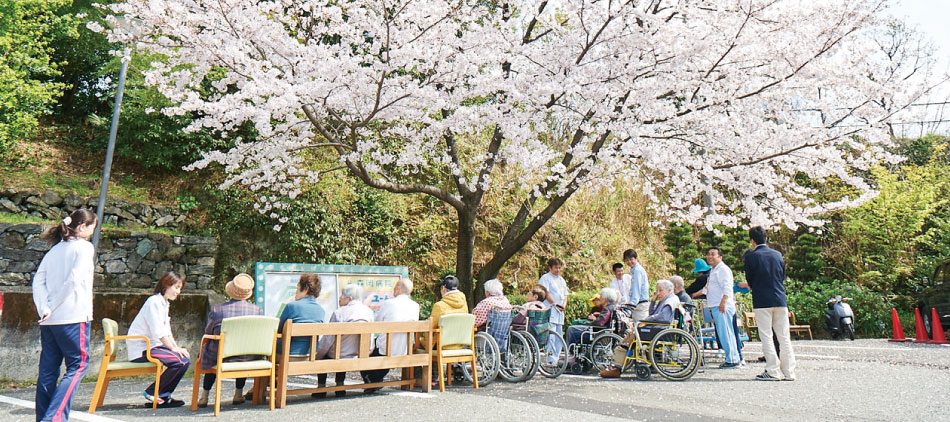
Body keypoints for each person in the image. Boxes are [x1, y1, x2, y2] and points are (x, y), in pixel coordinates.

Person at [32, 209, 98, 422]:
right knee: (78, 365)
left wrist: (44, 307)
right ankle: (54, 417)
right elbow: (74, 280)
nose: (93, 232)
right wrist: (52, 306)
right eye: (92, 227)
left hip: (49, 321)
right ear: (82, 227)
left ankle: (45, 416)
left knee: (48, 370)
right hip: (73, 316)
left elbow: (38, 281)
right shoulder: (85, 248)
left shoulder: (54, 251)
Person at [737, 226, 797, 381]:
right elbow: (781, 276)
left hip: (762, 301)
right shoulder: (777, 254)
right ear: (766, 238)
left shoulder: (751, 257)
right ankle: (789, 372)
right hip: (780, 298)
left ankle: (772, 371)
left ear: (752, 241)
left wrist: (752, 286)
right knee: (784, 336)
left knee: (766, 336)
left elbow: (750, 280)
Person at [196, 273, 263, 408]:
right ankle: (238, 394)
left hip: (221, 357)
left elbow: (208, 332)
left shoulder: (218, 310)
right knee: (243, 347)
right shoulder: (257, 311)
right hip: (248, 357)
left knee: (211, 350)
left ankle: (204, 396)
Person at [127, 272, 191, 407]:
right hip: (143, 349)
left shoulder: (164, 303)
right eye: (176, 287)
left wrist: (176, 348)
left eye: (180, 288)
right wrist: (172, 348)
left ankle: (163, 396)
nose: (178, 292)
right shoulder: (154, 302)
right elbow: (158, 332)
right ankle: (153, 393)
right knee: (179, 362)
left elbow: (167, 330)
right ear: (166, 285)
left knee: (184, 359)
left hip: (154, 346)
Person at [599, 280, 680, 378]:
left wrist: (645, 320)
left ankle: (617, 366)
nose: (658, 293)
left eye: (660, 290)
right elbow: (652, 313)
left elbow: (663, 318)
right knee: (631, 334)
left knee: (632, 335)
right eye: (657, 290)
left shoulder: (670, 301)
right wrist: (653, 301)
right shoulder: (666, 300)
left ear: (669, 290)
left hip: (659, 329)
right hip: (657, 328)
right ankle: (618, 362)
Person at [314, 283, 373, 396]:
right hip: (357, 353)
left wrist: (318, 353)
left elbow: (328, 340)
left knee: (328, 352)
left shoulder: (339, 313)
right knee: (343, 349)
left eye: (342, 295)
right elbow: (370, 338)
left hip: (338, 354)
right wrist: (367, 352)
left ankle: (321, 387)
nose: (340, 298)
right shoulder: (368, 312)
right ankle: (340, 384)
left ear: (349, 298)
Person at [361, 278, 420, 388]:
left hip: (386, 348)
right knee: (383, 348)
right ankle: (375, 381)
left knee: (365, 349)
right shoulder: (415, 306)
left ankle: (373, 381)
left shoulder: (388, 303)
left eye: (395, 287)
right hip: (405, 348)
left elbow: (376, 324)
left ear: (398, 289)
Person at [704, 247, 741, 368]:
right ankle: (730, 358)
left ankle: (734, 360)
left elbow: (727, 287)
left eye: (713, 254)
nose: (710, 256)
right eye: (708, 254)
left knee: (727, 333)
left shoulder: (723, 269)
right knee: (722, 333)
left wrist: (723, 302)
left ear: (720, 257)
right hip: (716, 305)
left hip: (722, 306)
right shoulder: (713, 270)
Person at [538, 258, 569, 364]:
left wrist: (563, 305)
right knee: (551, 335)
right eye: (556, 268)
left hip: (560, 311)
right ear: (550, 268)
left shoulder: (561, 280)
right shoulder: (545, 278)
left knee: (559, 335)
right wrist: (555, 304)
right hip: (550, 309)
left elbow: (565, 295)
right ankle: (550, 359)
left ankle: (556, 358)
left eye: (560, 268)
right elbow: (545, 293)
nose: (558, 270)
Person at [622, 249, 650, 322]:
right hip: (640, 303)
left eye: (631, 259)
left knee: (639, 326)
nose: (629, 262)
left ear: (636, 258)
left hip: (640, 304)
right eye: (627, 260)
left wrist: (633, 302)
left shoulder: (637, 270)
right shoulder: (635, 270)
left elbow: (637, 287)